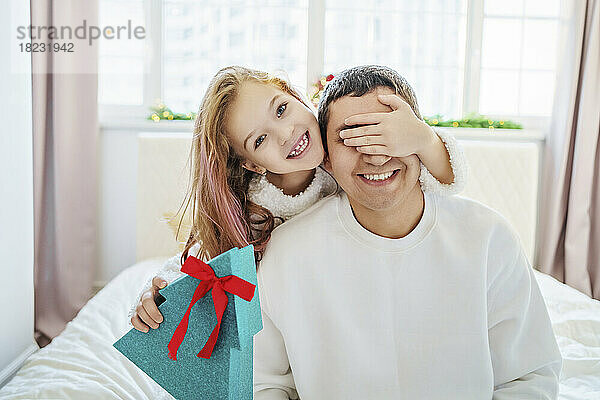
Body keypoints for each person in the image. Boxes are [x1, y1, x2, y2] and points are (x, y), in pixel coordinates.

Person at [253, 65, 562, 399]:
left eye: (388, 132)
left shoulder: (488, 238)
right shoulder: (286, 255)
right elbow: (265, 384)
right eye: (350, 137)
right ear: (325, 159)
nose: (375, 154)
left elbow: (529, 378)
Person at [128, 65, 467, 332]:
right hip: (291, 321)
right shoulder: (250, 209)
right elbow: (204, 259)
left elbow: (446, 180)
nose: (286, 133)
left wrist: (423, 138)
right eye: (260, 140)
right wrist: (156, 289)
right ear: (251, 164)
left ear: (295, 95)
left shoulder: (345, 155)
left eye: (281, 110)